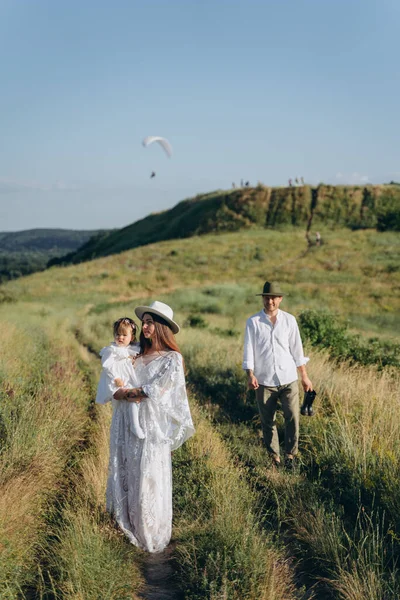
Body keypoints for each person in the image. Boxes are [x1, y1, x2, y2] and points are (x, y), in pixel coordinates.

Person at [97, 301, 195, 553]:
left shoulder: (172, 358)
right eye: (144, 321)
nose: (146, 326)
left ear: (162, 327)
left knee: (148, 471)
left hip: (151, 422)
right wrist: (123, 393)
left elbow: (159, 390)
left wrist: (131, 392)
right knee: (126, 467)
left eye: (151, 322)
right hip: (124, 420)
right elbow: (114, 383)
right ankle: (124, 522)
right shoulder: (135, 353)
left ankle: (148, 528)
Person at [242, 281, 313, 469]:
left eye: (273, 298)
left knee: (292, 418)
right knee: (268, 421)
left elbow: (297, 351)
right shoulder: (254, 322)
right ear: (263, 299)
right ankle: (274, 457)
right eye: (267, 297)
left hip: (288, 377)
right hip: (264, 380)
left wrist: (304, 376)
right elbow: (248, 350)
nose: (270, 301)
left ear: (280, 299)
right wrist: (250, 374)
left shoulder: (290, 320)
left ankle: (291, 455)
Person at [95, 317, 144, 439]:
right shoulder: (112, 350)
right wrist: (115, 377)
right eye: (117, 334)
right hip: (116, 380)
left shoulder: (131, 349)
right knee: (128, 398)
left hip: (128, 379)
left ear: (131, 337)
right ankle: (134, 425)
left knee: (135, 399)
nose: (120, 337)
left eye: (124, 335)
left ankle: (135, 423)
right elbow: (107, 365)